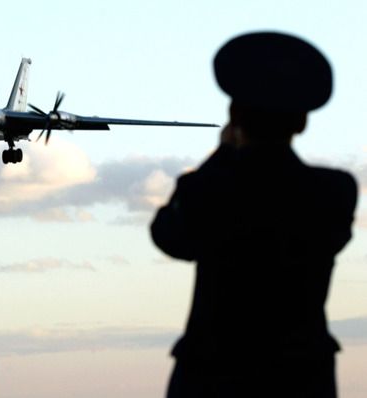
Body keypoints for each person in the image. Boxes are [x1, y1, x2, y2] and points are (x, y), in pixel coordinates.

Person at [150, 32, 358, 398]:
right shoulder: (334, 191)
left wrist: (222, 155)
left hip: (212, 376)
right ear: (302, 122)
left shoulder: (208, 190)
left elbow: (169, 236)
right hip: (301, 378)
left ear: (234, 116)